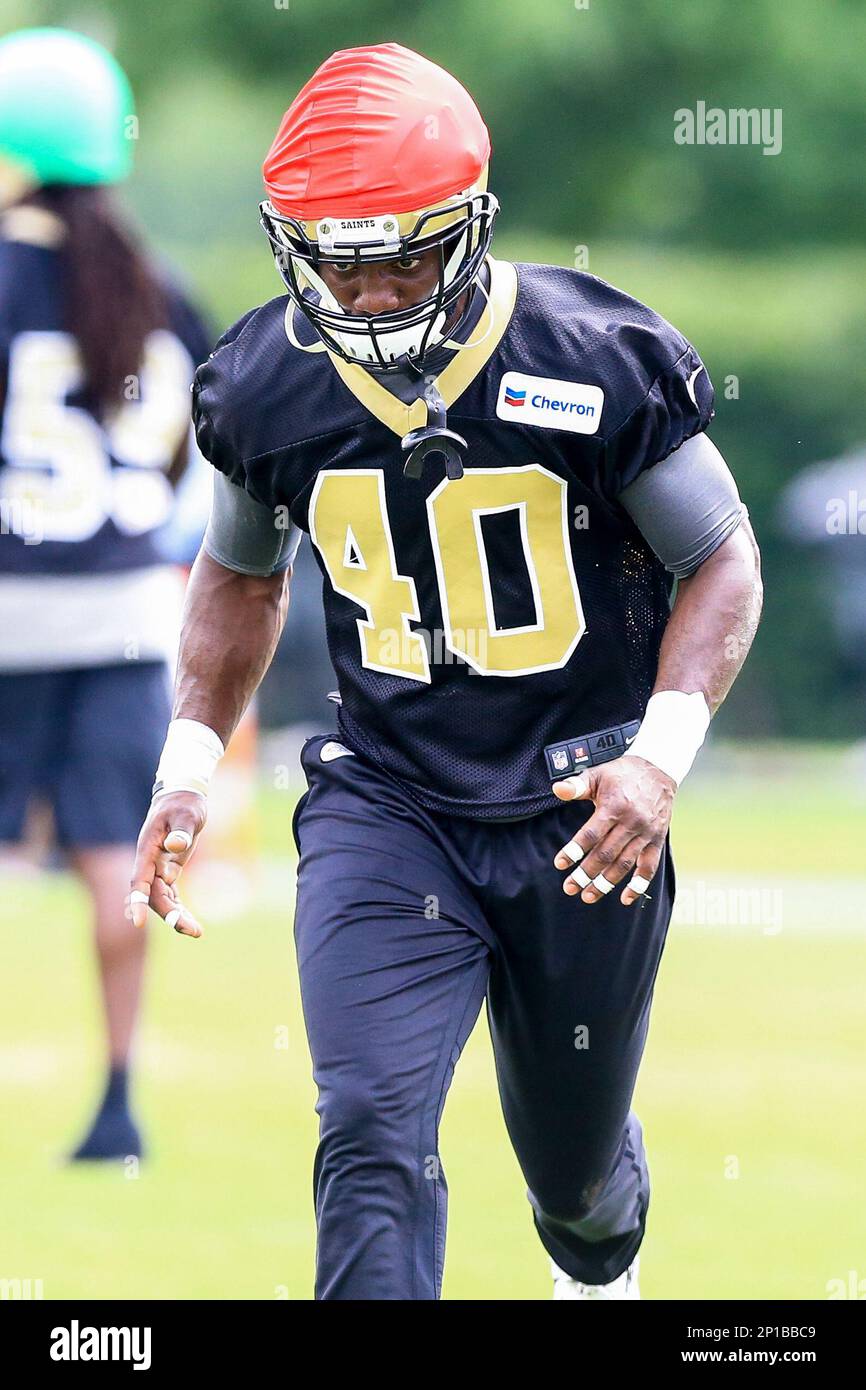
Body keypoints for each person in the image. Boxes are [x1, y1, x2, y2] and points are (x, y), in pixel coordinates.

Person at [131, 43, 763, 1298]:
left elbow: (722, 563)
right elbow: (240, 578)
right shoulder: (267, 382)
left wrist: (656, 760)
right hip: (389, 799)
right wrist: (189, 764)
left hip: (584, 811)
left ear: (468, 230)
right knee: (368, 1129)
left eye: (400, 252)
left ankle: (595, 1263)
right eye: (335, 255)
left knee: (575, 1181)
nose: (364, 289)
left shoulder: (588, 355)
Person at [0, 28, 211, 1160]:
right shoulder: (159, 285)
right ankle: (118, 1100)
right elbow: (195, 455)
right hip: (130, 614)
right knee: (108, 860)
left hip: (8, 611)